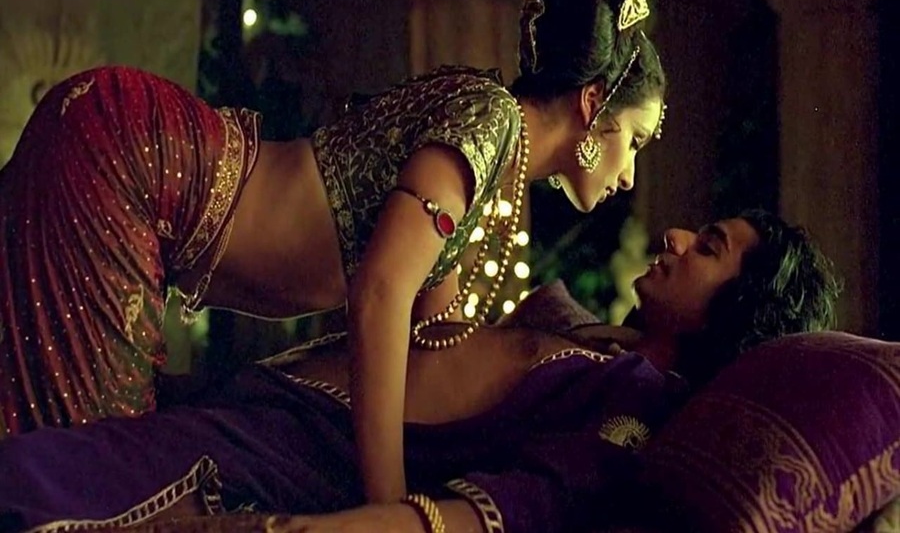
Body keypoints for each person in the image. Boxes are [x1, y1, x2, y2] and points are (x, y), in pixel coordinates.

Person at [0, 0, 666, 504]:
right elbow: (380, 295)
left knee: (75, 473)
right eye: (635, 140)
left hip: (136, 165)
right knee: (84, 479)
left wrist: (581, 337)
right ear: (592, 106)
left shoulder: (489, 153)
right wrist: (387, 509)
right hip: (129, 162)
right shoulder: (487, 119)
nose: (630, 174)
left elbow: (431, 341)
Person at [0, 210, 840, 533]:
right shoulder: (595, 340)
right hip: (254, 402)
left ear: (736, 308)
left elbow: (527, 503)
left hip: (269, 461)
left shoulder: (637, 406)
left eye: (710, 248)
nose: (677, 237)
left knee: (33, 482)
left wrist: (335, 528)